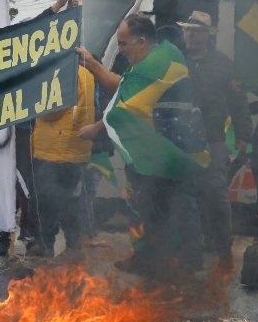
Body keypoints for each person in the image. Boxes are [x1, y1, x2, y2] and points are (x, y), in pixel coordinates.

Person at [79, 15, 207, 280]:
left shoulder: (158, 62)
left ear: (141, 40)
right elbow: (123, 87)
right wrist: (92, 64)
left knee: (174, 212)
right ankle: (149, 261)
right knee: (147, 209)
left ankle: (182, 270)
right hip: (153, 153)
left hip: (173, 151)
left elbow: (126, 106)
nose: (121, 50)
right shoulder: (149, 59)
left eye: (124, 44)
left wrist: (96, 129)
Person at [179, 10, 252, 268]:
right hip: (180, 140)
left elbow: (237, 101)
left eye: (197, 30)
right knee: (184, 197)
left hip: (213, 140)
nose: (191, 34)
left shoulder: (222, 63)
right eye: (188, 30)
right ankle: (189, 252)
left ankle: (223, 251)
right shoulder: (175, 61)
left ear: (208, 35)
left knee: (216, 194)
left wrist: (244, 136)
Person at [18, 64, 96, 259]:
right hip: (73, 147)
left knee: (46, 201)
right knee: (65, 200)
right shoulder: (84, 70)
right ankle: (73, 245)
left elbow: (53, 110)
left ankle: (43, 245)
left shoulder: (61, 71)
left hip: (55, 148)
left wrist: (30, 98)